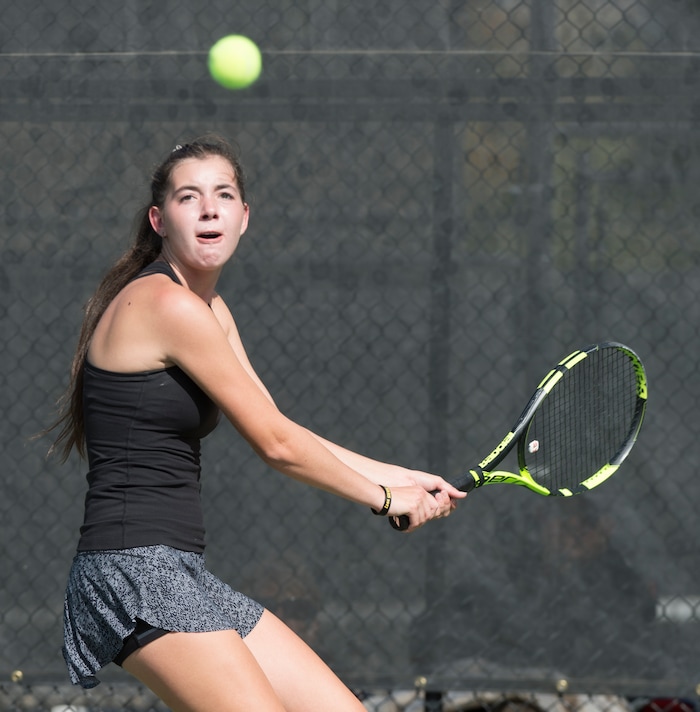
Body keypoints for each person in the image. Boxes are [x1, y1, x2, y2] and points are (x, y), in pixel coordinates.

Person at [49, 135, 466, 712]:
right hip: (132, 574)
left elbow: (279, 425)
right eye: (188, 197)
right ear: (159, 219)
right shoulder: (166, 306)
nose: (209, 208)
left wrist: (405, 478)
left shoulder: (210, 310)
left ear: (244, 217)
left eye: (224, 195)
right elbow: (276, 447)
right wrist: (383, 497)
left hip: (182, 573)